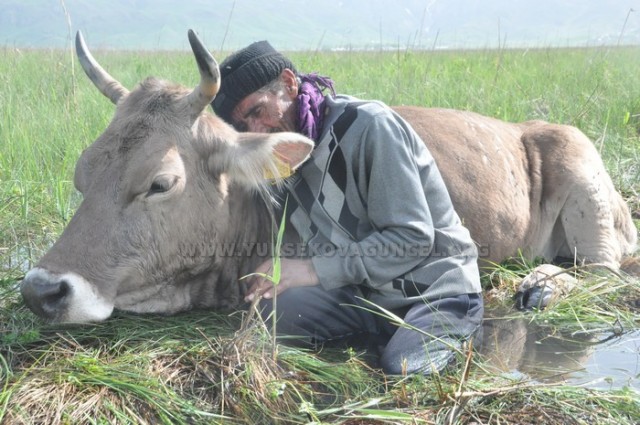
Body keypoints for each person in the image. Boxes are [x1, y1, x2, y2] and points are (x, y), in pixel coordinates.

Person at [211, 41, 484, 375]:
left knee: (407, 371)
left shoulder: (369, 126)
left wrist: (311, 270)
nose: (255, 131)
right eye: (242, 126)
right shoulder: (280, 160)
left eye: (257, 111)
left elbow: (412, 241)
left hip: (433, 289)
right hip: (364, 295)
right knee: (269, 317)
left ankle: (458, 330)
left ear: (288, 83)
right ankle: (378, 341)